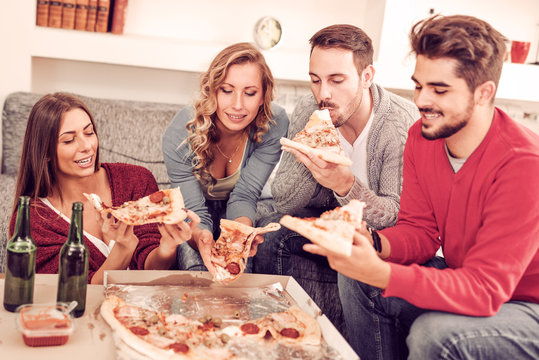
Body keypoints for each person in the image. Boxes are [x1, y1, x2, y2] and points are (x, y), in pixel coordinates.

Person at [304, 15, 539, 359]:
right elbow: (420, 231)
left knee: (436, 335)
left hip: (525, 304)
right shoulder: (423, 136)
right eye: (419, 85)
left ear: (483, 93)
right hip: (466, 279)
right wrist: (372, 244)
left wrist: (383, 272)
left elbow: (485, 290)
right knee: (358, 278)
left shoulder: (523, 163)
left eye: (440, 90)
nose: (422, 101)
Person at [254, 24, 418, 282]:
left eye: (336, 80)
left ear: (367, 76)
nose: (323, 94)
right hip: (324, 224)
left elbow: (395, 217)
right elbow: (284, 202)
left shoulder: (400, 123)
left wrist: (345, 186)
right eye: (315, 80)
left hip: (374, 239)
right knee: (270, 229)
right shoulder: (311, 107)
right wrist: (312, 157)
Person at [10, 93, 198, 284]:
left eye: (89, 132)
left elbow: (152, 266)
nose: (87, 146)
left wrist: (167, 246)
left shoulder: (136, 179)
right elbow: (73, 291)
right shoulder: (34, 219)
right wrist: (123, 249)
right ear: (45, 152)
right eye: (69, 140)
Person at [162, 42, 289, 274]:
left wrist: (238, 238)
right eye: (227, 90)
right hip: (194, 208)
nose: (237, 105)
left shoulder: (275, 123)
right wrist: (202, 238)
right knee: (199, 266)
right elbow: (194, 211)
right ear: (212, 91)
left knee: (240, 266)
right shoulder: (180, 133)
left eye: (250, 93)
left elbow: (245, 194)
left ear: (263, 96)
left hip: (246, 203)